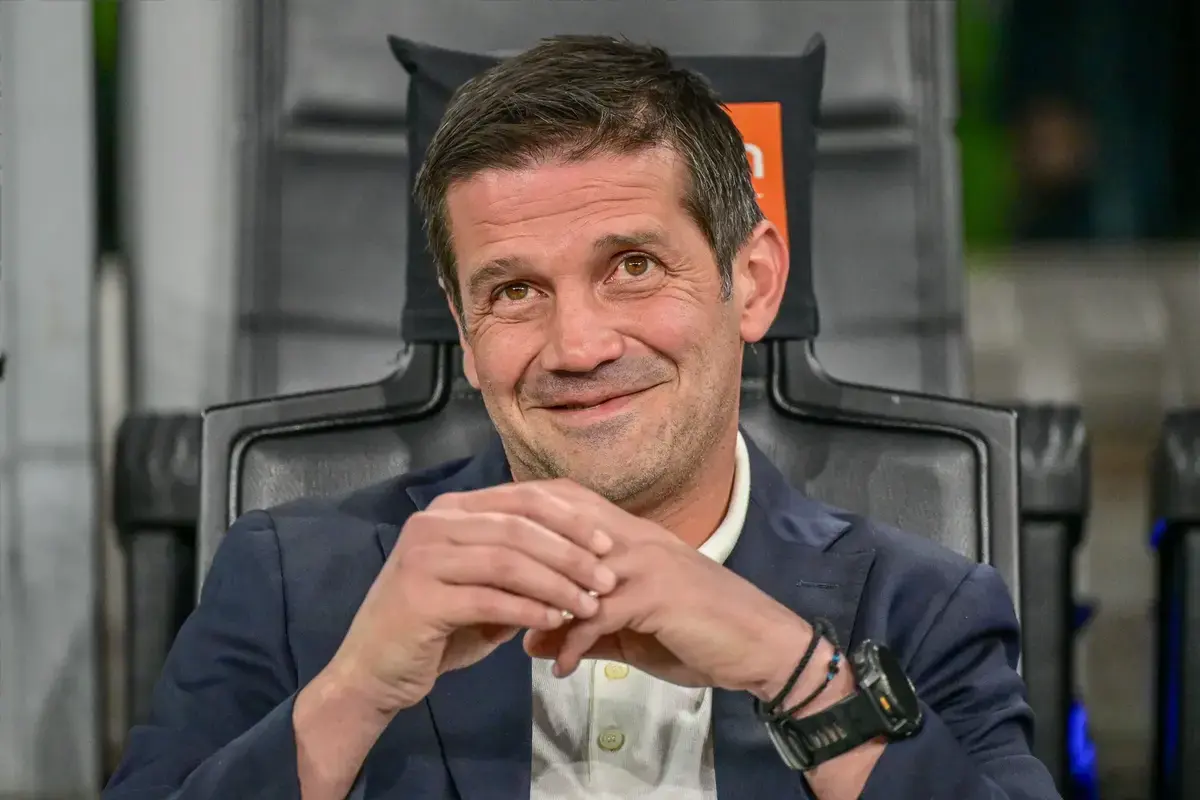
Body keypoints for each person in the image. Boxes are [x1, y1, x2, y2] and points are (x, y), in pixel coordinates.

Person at [104, 35, 1060, 800]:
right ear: (466, 333)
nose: (578, 345)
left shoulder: (923, 605)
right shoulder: (290, 580)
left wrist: (793, 669)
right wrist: (352, 694)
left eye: (632, 267)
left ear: (754, 281)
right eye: (515, 291)